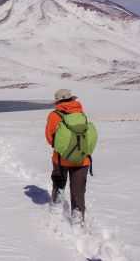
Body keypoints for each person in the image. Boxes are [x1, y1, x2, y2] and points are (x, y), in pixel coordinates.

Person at [45, 89, 90, 222]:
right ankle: (78, 217)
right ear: (72, 99)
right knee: (78, 191)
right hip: (82, 160)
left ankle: (56, 212)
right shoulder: (81, 113)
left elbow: (49, 138)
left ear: (58, 101)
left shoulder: (54, 115)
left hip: (61, 159)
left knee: (59, 184)